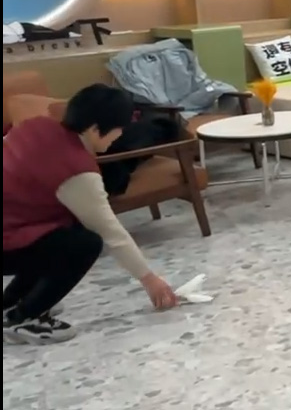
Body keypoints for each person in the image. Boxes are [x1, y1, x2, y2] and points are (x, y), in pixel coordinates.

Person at [3, 84, 179, 345]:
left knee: (63, 232)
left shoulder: (35, 126)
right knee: (83, 244)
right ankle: (24, 318)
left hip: (14, 226)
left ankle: (10, 303)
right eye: (119, 129)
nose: (120, 135)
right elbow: (111, 232)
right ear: (96, 128)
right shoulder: (77, 171)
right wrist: (149, 279)